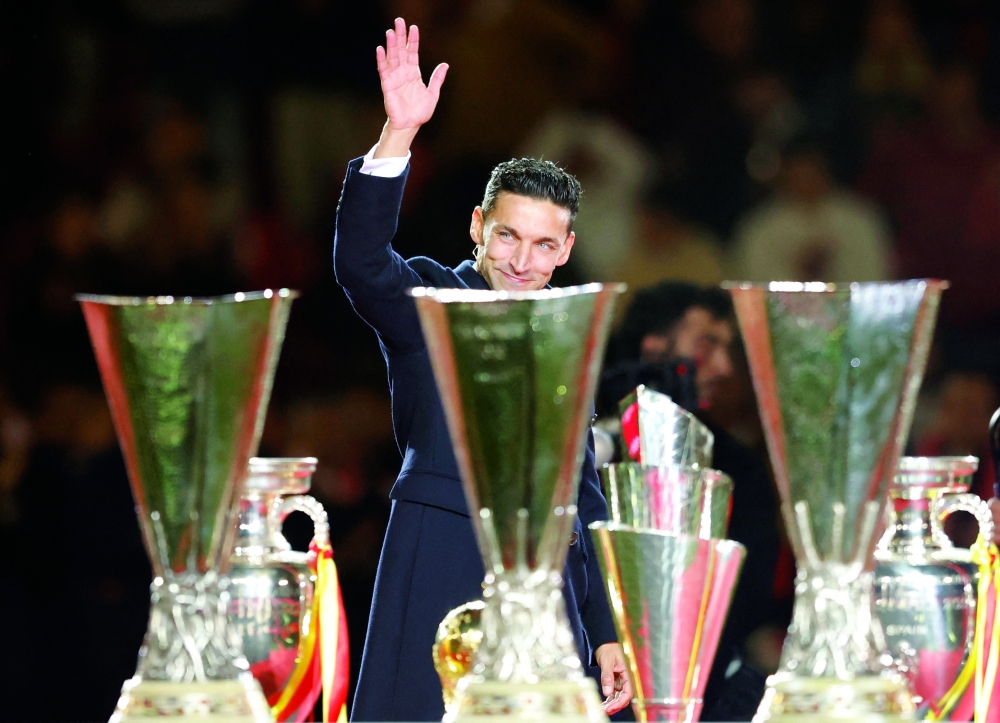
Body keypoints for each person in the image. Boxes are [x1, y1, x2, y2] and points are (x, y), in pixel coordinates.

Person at [333, 18, 631, 721]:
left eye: (541, 244)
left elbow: (581, 494)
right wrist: (398, 133)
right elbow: (361, 265)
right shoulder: (433, 302)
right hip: (439, 553)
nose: (523, 261)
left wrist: (610, 630)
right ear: (477, 226)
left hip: (547, 583)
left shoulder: (569, 333)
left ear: (565, 249)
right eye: (507, 236)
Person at [598, 281, 783, 721]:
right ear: (655, 346)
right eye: (708, 344)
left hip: (705, 684)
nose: (722, 366)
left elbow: (749, 595)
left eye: (728, 349)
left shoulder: (738, 468)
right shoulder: (588, 443)